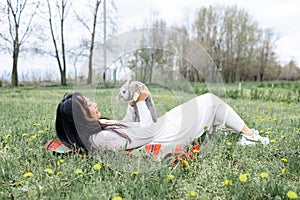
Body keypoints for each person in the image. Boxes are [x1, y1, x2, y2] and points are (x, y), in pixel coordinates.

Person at [55, 86, 269, 155]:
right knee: (210, 101)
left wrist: (132, 107)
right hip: (164, 135)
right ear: (79, 118)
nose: (93, 104)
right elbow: (146, 133)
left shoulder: (98, 130)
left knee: (204, 104)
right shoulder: (100, 139)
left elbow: (127, 127)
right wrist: (142, 103)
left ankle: (228, 128)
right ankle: (250, 136)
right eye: (87, 105)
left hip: (160, 129)